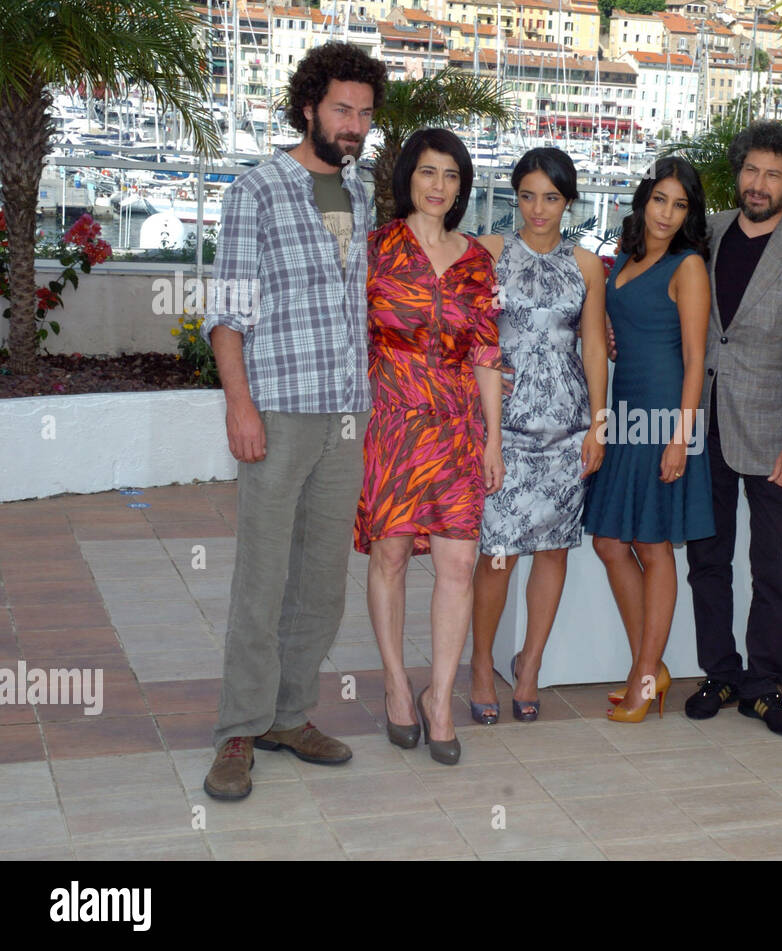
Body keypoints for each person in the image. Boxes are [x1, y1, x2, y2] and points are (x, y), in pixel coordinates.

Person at [201, 42, 387, 800]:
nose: (354, 126)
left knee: (321, 580)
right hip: (277, 408)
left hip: (347, 411)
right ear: (308, 105)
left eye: (366, 114)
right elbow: (228, 312)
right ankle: (237, 730)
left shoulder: (365, 190)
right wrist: (239, 404)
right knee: (261, 577)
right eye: (343, 109)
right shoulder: (258, 191)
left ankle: (288, 712)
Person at [354, 128, 504, 765]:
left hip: (457, 427)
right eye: (428, 172)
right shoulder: (375, 249)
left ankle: (439, 697)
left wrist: (494, 439)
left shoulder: (478, 260)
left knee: (458, 565)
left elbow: (487, 353)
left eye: (451, 176)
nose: (439, 186)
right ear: (407, 178)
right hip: (391, 421)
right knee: (388, 558)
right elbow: (348, 335)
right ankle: (395, 682)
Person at [683, 121, 782, 737]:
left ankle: (764, 684)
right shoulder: (708, 231)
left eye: (773, 174)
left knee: (775, 565)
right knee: (707, 558)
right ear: (737, 171)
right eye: (751, 169)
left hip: (777, 436)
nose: (759, 182)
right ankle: (718, 671)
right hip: (705, 426)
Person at [469, 148, 608, 724]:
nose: (538, 208)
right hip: (505, 427)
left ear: (567, 202)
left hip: (567, 428)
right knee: (497, 554)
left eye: (550, 197)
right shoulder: (489, 253)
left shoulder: (587, 264)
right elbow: (474, 340)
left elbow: (594, 345)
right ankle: (481, 666)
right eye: (527, 195)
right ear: (514, 197)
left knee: (553, 550)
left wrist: (598, 425)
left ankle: (530, 667)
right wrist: (485, 433)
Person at [584, 156, 713, 723]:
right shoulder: (630, 258)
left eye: (679, 204)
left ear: (689, 214)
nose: (667, 213)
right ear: (644, 200)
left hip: (665, 418)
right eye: (660, 199)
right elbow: (624, 323)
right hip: (625, 412)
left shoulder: (688, 266)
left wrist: (681, 437)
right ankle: (649, 664)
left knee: (654, 546)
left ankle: (645, 672)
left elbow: (695, 361)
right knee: (611, 542)